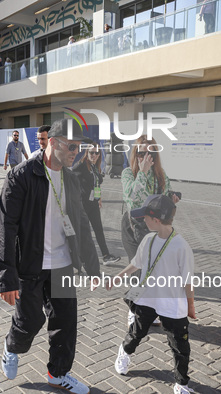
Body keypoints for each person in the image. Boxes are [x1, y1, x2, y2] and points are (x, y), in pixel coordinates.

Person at [0, 119, 100, 394]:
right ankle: (11, 346)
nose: (75, 152)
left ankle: (58, 373)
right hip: (30, 264)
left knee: (66, 321)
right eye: (71, 146)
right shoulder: (22, 175)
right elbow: (6, 226)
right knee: (30, 321)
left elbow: (81, 224)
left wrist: (93, 266)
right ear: (52, 142)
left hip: (63, 264)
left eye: (78, 147)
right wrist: (7, 276)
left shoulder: (72, 178)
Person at [107, 194, 196, 394]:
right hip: (147, 298)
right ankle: (125, 352)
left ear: (156, 219)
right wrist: (118, 277)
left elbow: (188, 281)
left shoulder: (181, 247)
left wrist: (190, 306)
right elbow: (136, 263)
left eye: (145, 217)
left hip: (172, 305)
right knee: (136, 333)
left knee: (180, 346)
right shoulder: (148, 239)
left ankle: (181, 384)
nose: (142, 220)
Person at [122, 135, 181, 327]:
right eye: (141, 152)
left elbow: (165, 197)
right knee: (138, 270)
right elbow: (132, 198)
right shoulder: (128, 173)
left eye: (150, 152)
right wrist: (142, 172)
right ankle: (134, 310)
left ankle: (149, 309)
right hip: (134, 226)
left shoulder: (160, 174)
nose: (145, 156)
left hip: (154, 227)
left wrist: (171, 200)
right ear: (135, 154)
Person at [72, 145, 120, 265]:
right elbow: (70, 179)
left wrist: (99, 197)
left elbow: (96, 183)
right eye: (91, 153)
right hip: (82, 205)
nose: (94, 155)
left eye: (96, 153)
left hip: (93, 203)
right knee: (83, 231)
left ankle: (106, 256)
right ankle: (79, 257)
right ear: (87, 153)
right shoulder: (81, 165)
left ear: (99, 155)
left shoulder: (95, 167)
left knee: (98, 230)